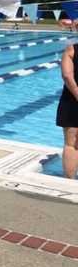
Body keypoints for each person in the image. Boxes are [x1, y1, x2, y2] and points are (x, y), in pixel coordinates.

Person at [58, 44, 78, 179]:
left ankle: (69, 182)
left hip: (72, 100)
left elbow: (67, 76)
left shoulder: (72, 49)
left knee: (71, 144)